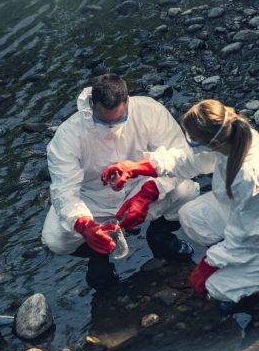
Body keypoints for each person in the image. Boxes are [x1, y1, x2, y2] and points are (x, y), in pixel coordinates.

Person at [102, 99, 259, 306]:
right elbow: (189, 159)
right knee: (191, 215)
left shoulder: (247, 178)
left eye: (193, 140)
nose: (191, 144)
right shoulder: (234, 140)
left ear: (214, 142)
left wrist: (209, 265)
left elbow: (244, 236)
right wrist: (136, 167)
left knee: (217, 288)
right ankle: (240, 267)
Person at [41, 74, 199, 290]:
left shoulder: (150, 111)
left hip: (140, 185)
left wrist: (148, 193)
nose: (111, 127)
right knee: (54, 239)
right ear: (92, 105)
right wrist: (85, 226)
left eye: (119, 120)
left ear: (128, 101)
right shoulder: (67, 136)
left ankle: (160, 235)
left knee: (188, 192)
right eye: (104, 121)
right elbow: (64, 191)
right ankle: (99, 253)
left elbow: (179, 156)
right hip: (93, 201)